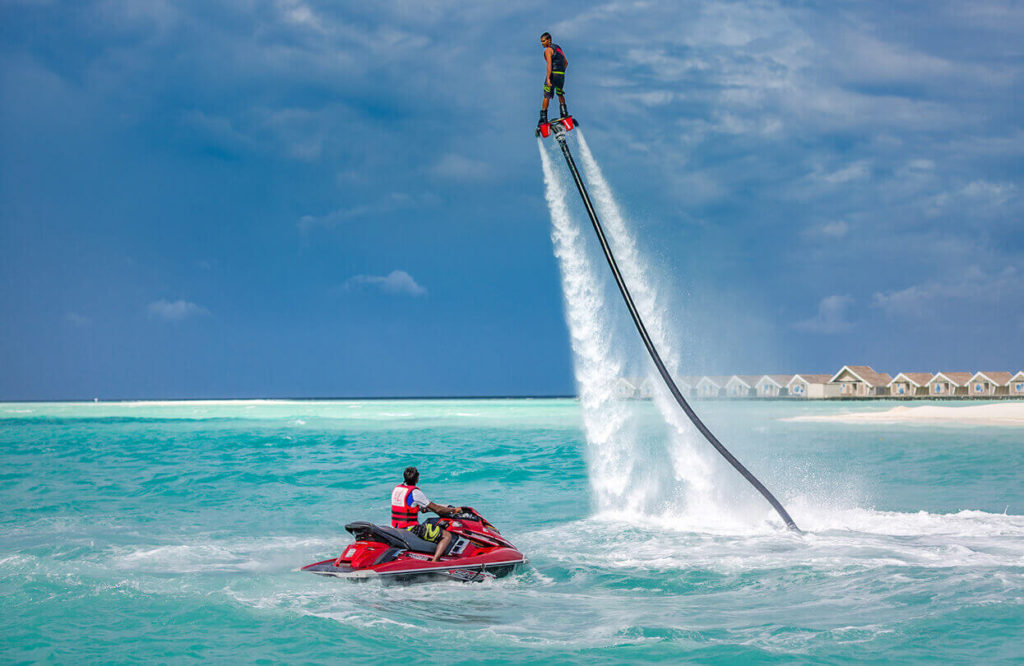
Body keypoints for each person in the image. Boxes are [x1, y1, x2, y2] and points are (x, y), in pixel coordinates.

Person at [390, 466, 463, 562]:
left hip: (397, 528)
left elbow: (406, 506)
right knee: (447, 536)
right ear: (417, 478)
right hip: (411, 529)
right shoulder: (415, 492)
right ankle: (435, 562)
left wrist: (421, 508)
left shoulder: (397, 489)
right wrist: (454, 510)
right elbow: (437, 509)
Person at [538, 32, 568, 129]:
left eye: (543, 41)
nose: (542, 43)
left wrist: (548, 78)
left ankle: (543, 118)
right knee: (560, 94)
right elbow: (566, 62)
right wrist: (561, 73)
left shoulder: (548, 50)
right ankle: (564, 114)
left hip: (553, 75)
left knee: (546, 95)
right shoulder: (558, 48)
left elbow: (549, 64)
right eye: (541, 41)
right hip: (561, 75)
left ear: (549, 40)